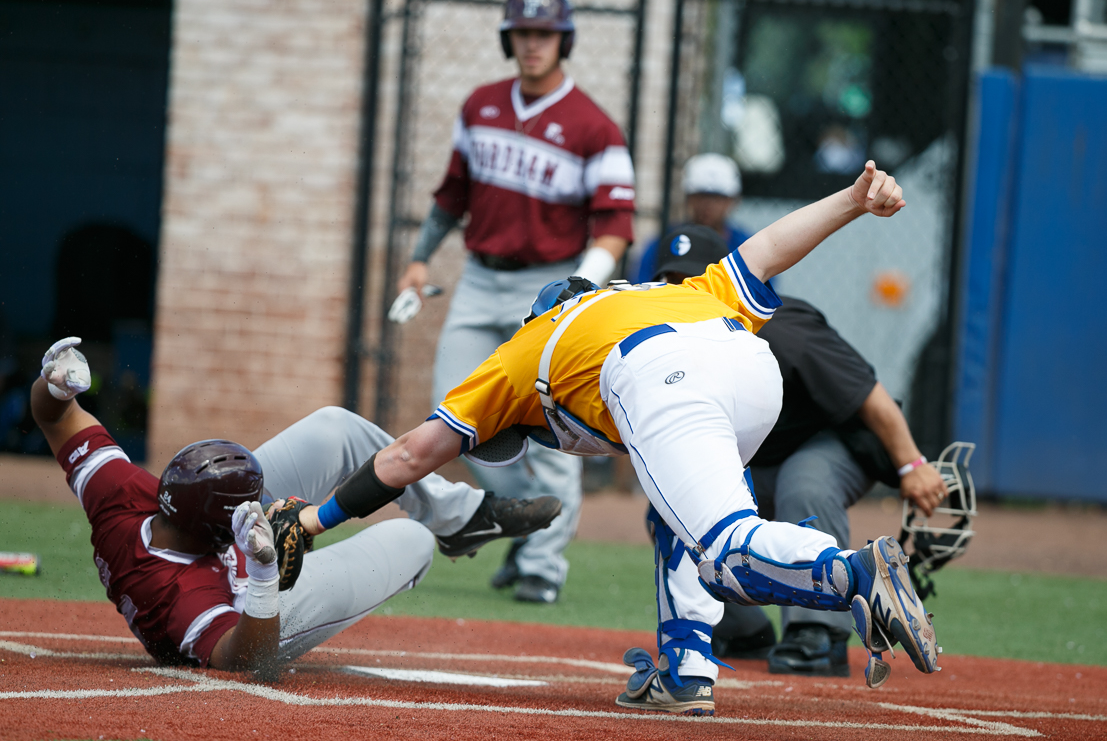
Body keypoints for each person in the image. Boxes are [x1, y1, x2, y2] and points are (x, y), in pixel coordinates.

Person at [295, 161, 942, 716]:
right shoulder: (673, 291)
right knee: (681, 520)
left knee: (722, 550)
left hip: (661, 376)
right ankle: (688, 668)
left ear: (539, 315)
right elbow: (771, 247)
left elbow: (409, 455)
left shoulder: (523, 350)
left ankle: (852, 573)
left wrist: (313, 521)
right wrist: (853, 201)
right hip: (748, 374)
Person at [31, 337, 560, 676]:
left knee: (335, 426)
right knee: (412, 540)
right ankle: (433, 531)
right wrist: (263, 576)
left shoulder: (127, 495)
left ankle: (462, 518)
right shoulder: (182, 599)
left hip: (210, 547)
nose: (271, 501)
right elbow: (246, 658)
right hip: (245, 612)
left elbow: (56, 419)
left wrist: (54, 386)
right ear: (224, 533)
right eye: (253, 505)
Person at [394, 0, 635, 605]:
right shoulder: (480, 105)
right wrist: (419, 259)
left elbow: (616, 225)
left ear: (563, 41)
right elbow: (451, 195)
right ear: (509, 38)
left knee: (552, 420)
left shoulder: (595, 126)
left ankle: (543, 566)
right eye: (524, 33)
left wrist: (582, 287)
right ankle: (521, 518)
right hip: (479, 276)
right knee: (452, 406)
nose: (533, 44)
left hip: (548, 282)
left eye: (545, 34)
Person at [652, 226, 948, 678]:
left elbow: (871, 394)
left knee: (802, 483)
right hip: (763, 457)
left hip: (834, 441)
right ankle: (744, 627)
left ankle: (818, 635)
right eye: (669, 282)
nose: (679, 291)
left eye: (688, 280)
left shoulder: (781, 326)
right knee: (673, 512)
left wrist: (912, 464)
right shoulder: (657, 344)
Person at [634, 154, 751, 284]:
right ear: (688, 198)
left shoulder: (746, 246)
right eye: (701, 196)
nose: (708, 205)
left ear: (731, 201)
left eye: (717, 197)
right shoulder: (663, 242)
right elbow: (641, 287)